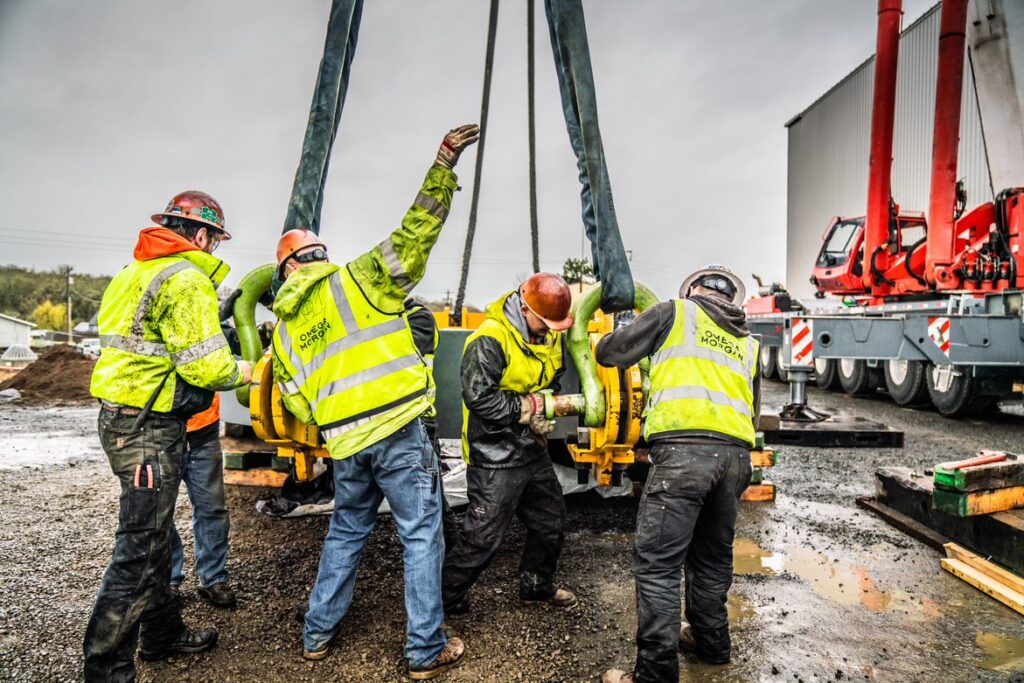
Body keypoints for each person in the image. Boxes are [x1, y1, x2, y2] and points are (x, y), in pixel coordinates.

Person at [271, 124, 479, 680]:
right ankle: (423, 649)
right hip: (398, 432)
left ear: (285, 270)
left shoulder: (285, 330)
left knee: (346, 530)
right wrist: (443, 164)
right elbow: (416, 234)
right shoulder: (357, 280)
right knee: (419, 534)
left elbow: (299, 404)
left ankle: (317, 633)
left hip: (346, 443)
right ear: (319, 257)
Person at [84, 191, 253, 682]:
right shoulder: (186, 280)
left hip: (123, 420)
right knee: (137, 550)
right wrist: (250, 370)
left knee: (154, 537)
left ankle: (160, 633)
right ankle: (106, 670)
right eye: (215, 240)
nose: (215, 249)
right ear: (200, 235)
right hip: (147, 429)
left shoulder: (131, 273)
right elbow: (207, 365)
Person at [598, 264, 760, 683]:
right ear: (732, 301)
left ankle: (654, 675)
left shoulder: (674, 313)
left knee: (658, 566)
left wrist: (627, 327)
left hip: (684, 458)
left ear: (692, 291)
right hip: (736, 460)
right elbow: (751, 409)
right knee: (711, 558)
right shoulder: (748, 341)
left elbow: (609, 353)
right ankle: (712, 645)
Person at [442, 272, 578, 616]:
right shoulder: (490, 339)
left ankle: (536, 586)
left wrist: (546, 403)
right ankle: (443, 600)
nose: (549, 330)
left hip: (531, 450)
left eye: (554, 325)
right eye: (545, 322)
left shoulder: (550, 337)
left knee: (551, 522)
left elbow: (555, 377)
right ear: (524, 307)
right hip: (493, 455)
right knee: (482, 539)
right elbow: (480, 398)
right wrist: (526, 410)